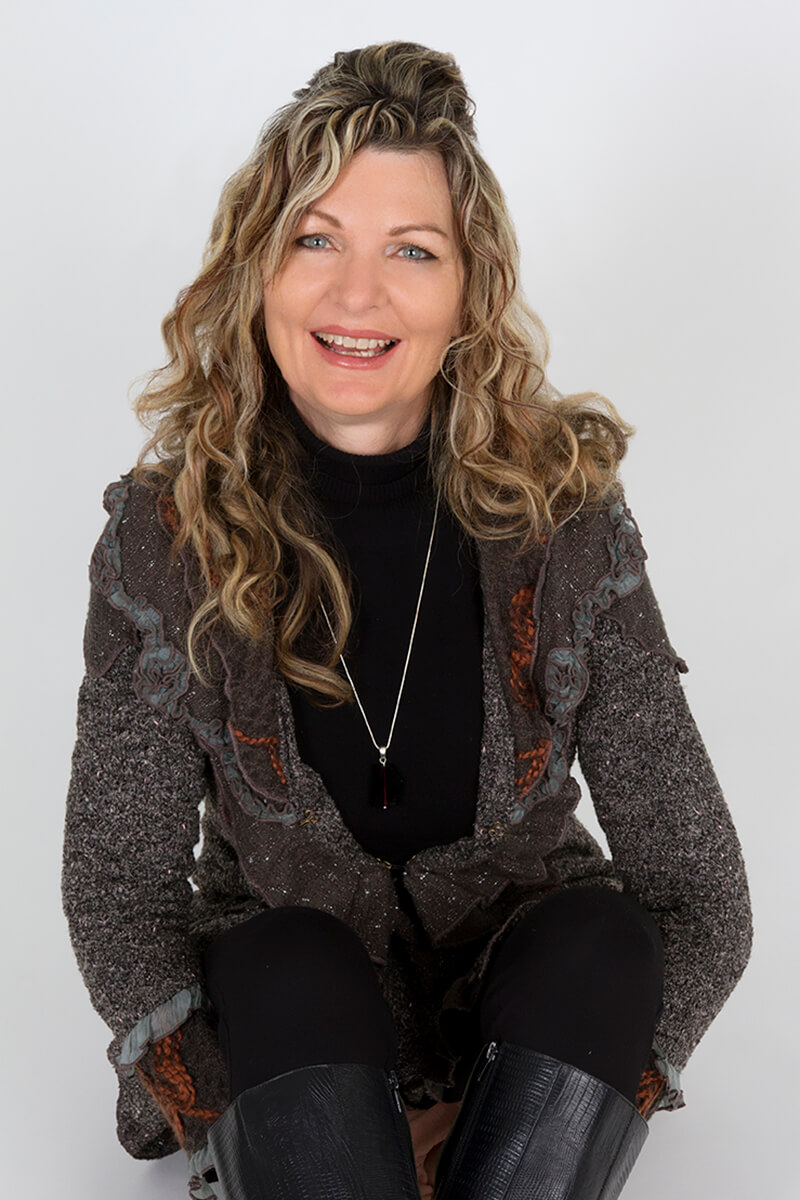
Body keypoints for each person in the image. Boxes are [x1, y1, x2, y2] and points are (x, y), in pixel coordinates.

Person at [61, 40, 752, 1200]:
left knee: (602, 940)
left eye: (410, 251)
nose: (355, 296)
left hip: (522, 1007)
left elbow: (699, 901)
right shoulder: (161, 539)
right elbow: (116, 896)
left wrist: (539, 1106)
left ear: (466, 291)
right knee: (282, 960)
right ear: (258, 272)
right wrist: (228, 1104)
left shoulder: (566, 523)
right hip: (296, 1021)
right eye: (314, 238)